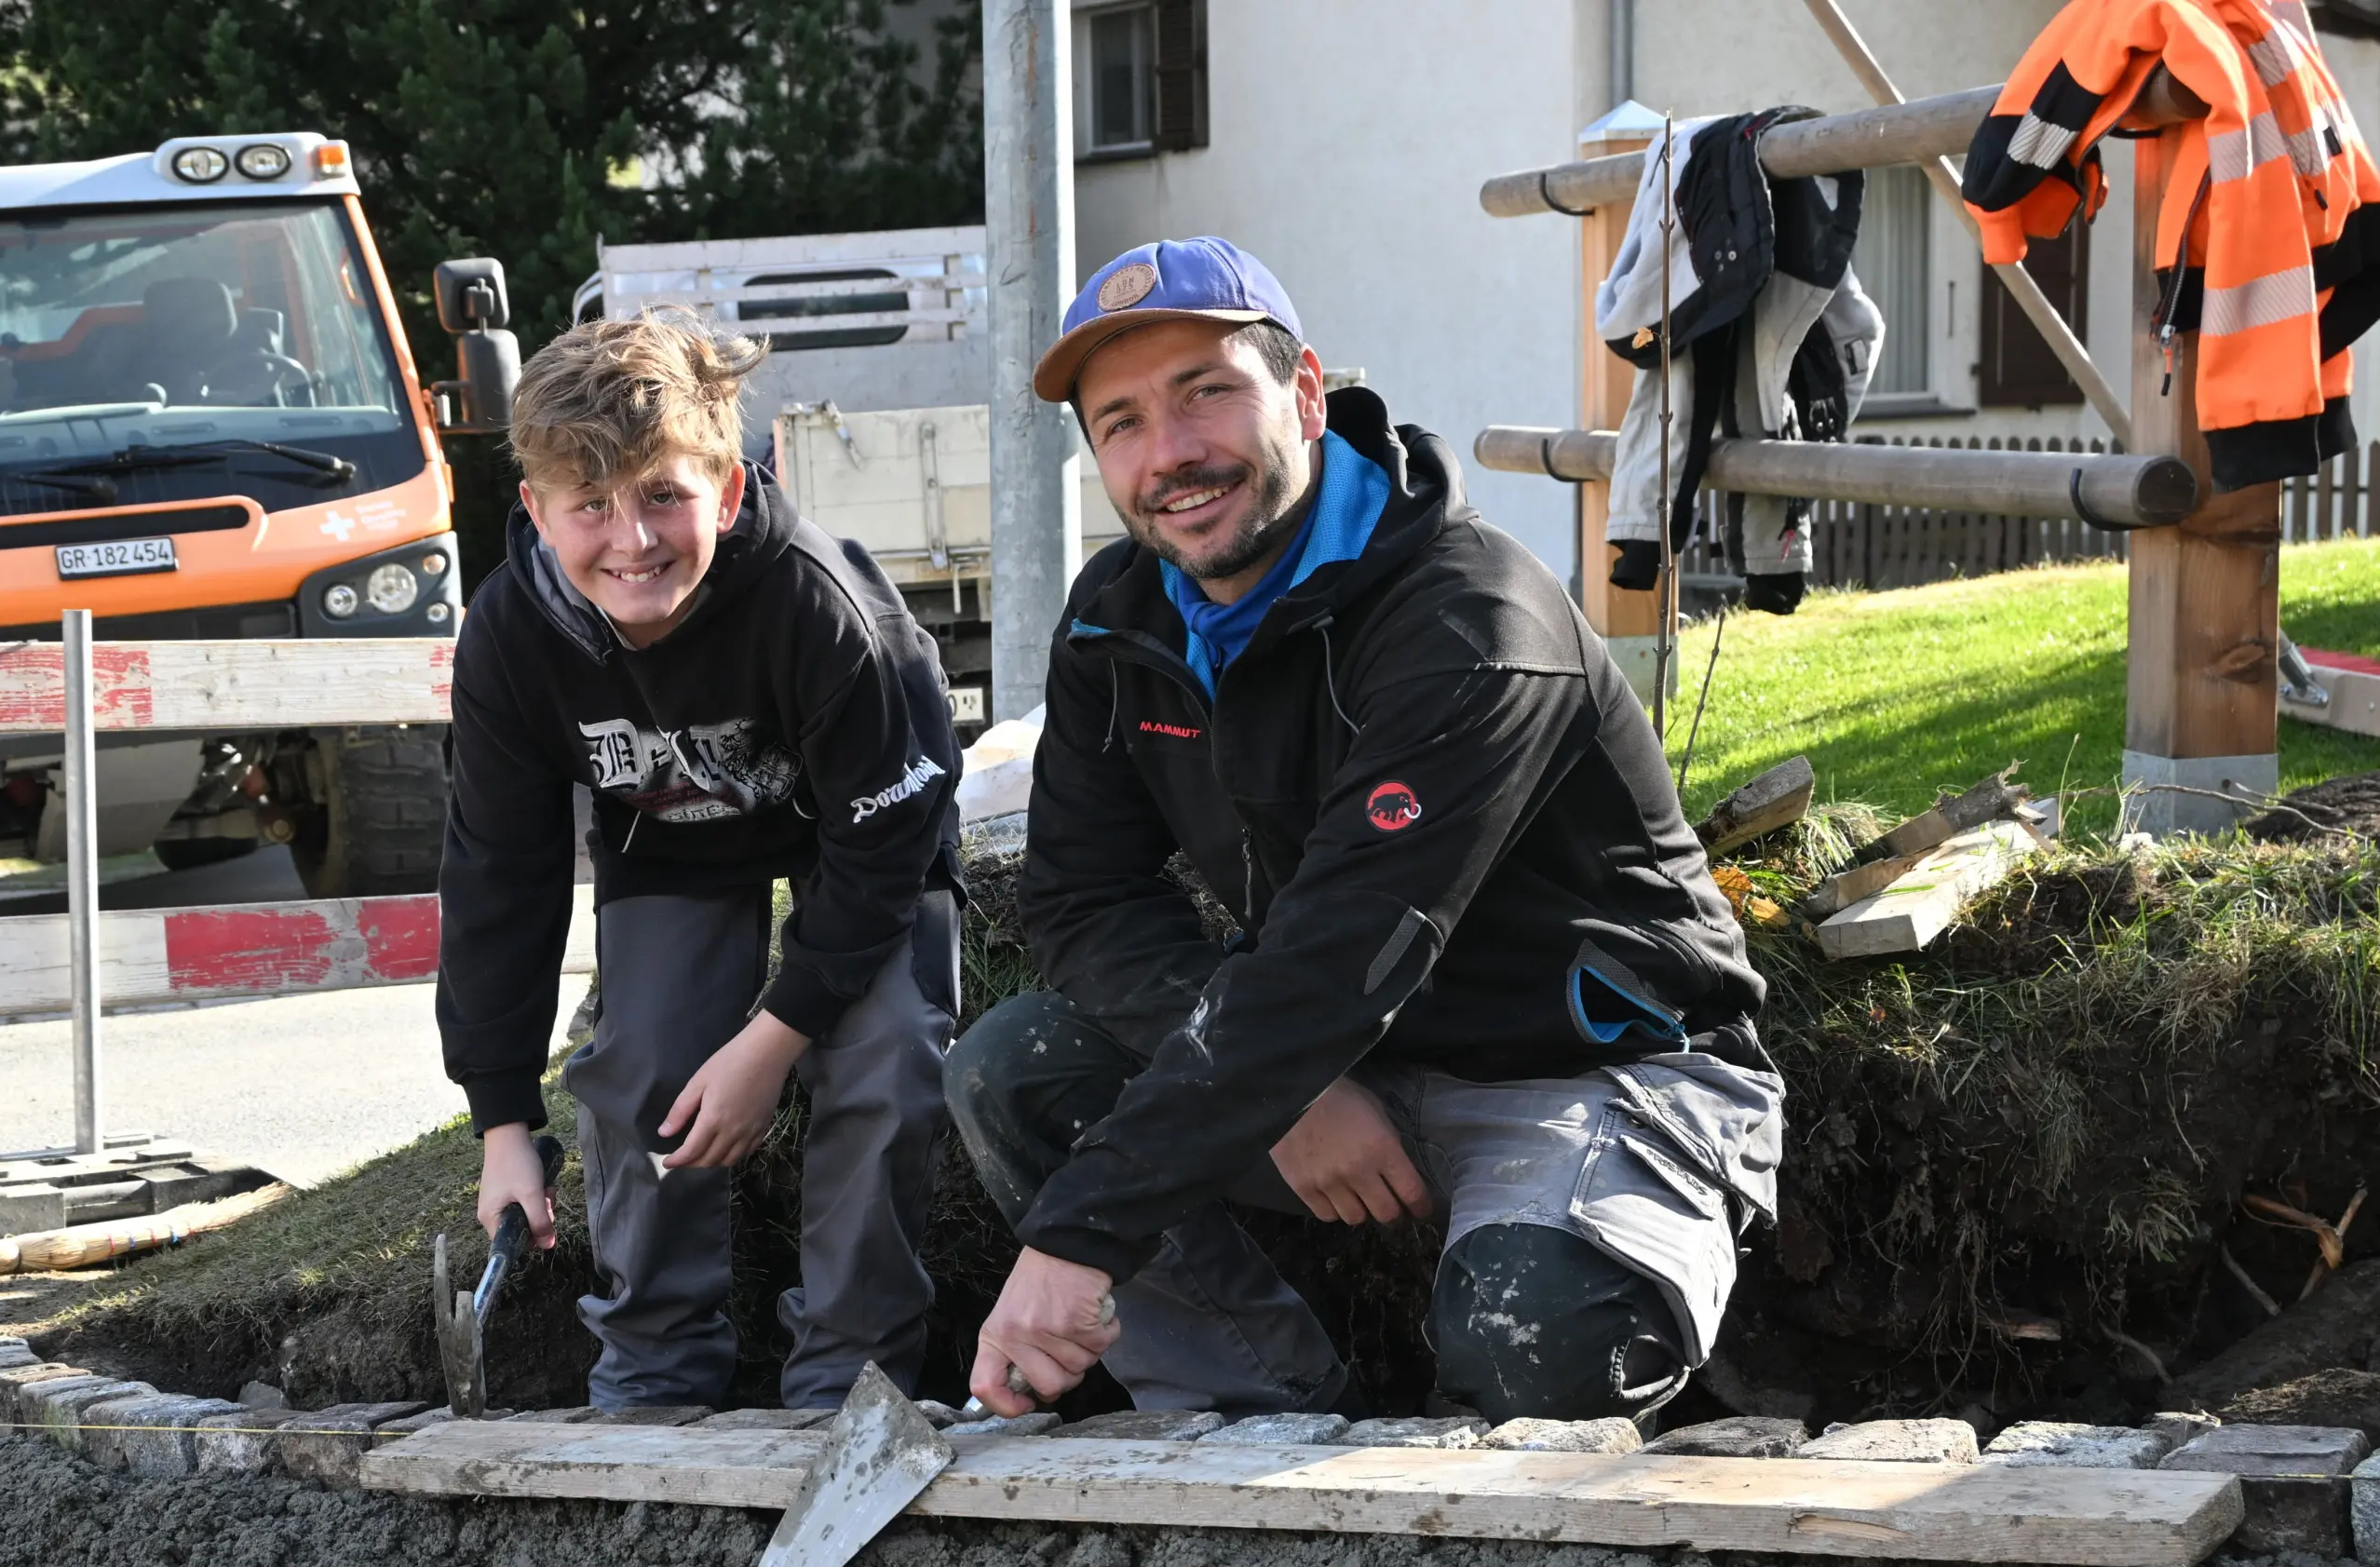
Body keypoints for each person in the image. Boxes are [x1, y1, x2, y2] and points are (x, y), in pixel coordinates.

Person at [947, 237, 1782, 1426]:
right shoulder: (1115, 623)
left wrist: (1081, 1235)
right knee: (1018, 1067)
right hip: (1340, 1058)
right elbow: (1083, 903)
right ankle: (1244, 1426)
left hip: (1590, 1075)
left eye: (1205, 393)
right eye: (1121, 422)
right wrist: (1290, 1091)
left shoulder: (1470, 619)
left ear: (1304, 393)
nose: (1169, 454)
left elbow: (1347, 948)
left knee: (1536, 1338)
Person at [437, 312, 964, 1410]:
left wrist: (771, 1042)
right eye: (590, 505)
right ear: (536, 510)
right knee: (644, 1066)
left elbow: (888, 845)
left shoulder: (821, 606)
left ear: (725, 492)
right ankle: (656, 1371)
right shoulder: (509, 636)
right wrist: (503, 1124)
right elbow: (499, 878)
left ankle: (848, 1376)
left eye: (662, 496)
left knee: (885, 1053)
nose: (631, 539)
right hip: (668, 835)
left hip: (859, 838)